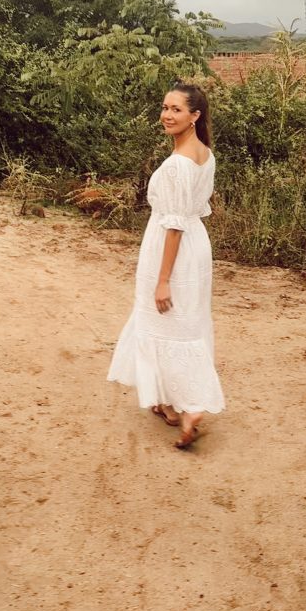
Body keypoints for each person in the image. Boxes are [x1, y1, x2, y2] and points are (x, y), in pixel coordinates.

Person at [107, 81, 225, 449]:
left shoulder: (177, 164)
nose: (167, 115)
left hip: (171, 247)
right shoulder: (205, 153)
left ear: (195, 116)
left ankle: (185, 406)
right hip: (195, 244)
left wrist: (163, 279)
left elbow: (172, 225)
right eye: (165, 107)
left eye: (176, 109)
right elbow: (193, 212)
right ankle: (173, 404)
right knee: (186, 323)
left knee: (162, 317)